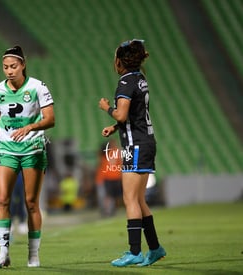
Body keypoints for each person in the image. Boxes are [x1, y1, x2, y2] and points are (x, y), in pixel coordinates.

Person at [99, 39, 166, 267]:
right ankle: (155, 248)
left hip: (134, 146)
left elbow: (121, 114)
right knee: (138, 200)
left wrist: (106, 107)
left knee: (130, 199)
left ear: (119, 62)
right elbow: (134, 114)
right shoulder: (140, 79)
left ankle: (135, 251)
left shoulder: (125, 82)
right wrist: (116, 128)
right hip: (144, 141)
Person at [0, 45, 55, 268]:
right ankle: (3, 253)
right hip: (7, 150)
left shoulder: (38, 87)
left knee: (31, 203)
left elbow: (51, 119)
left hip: (32, 149)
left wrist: (30, 127)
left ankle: (33, 254)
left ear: (23, 65)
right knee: (2, 199)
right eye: (5, 67)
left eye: (13, 66)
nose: (9, 71)